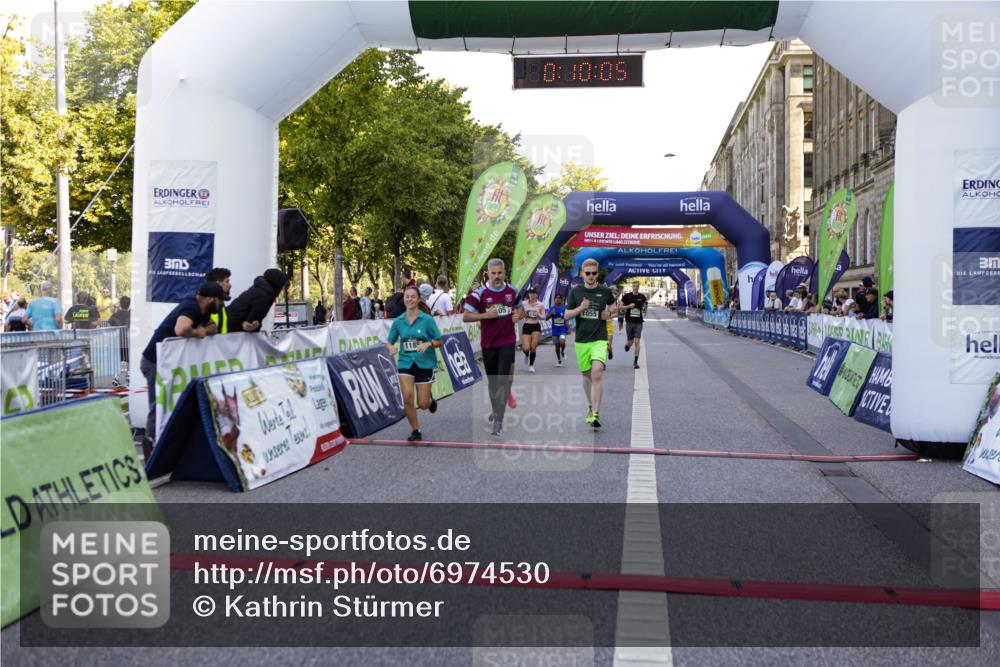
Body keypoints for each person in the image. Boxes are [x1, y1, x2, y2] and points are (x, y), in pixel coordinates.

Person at [140, 282, 225, 451]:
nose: (222, 304)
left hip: (167, 363)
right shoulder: (191, 307)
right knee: (159, 404)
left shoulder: (203, 311)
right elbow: (181, 329)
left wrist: (207, 330)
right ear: (210, 299)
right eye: (220, 300)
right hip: (155, 362)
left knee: (171, 402)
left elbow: (212, 327)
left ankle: (167, 443)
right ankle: (151, 445)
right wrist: (198, 332)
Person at [462, 258, 524, 437]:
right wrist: (486, 315)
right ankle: (496, 410)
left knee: (502, 379)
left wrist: (518, 315)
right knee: (493, 383)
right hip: (488, 343)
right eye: (493, 273)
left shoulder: (512, 291)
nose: (497, 276)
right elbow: (466, 316)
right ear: (488, 274)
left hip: (507, 341)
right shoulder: (479, 293)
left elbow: (521, 309)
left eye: (500, 273)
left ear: (505, 273)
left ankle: (498, 421)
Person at [386, 285, 443, 442]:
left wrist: (428, 344)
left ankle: (429, 400)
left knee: (423, 404)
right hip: (405, 362)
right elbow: (389, 342)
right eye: (407, 296)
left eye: (413, 296)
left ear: (418, 299)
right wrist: (391, 348)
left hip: (424, 363)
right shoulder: (398, 321)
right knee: (407, 398)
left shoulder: (427, 320)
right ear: (404, 299)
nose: (409, 299)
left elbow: (439, 340)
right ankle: (416, 430)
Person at [565, 258, 617, 428]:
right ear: (583, 273)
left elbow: (613, 308)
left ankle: (595, 413)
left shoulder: (604, 291)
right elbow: (566, 315)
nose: (591, 276)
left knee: (596, 373)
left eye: (594, 273)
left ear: (597, 273)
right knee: (586, 375)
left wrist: (609, 314)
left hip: (599, 339)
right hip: (581, 340)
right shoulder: (576, 292)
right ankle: (590, 405)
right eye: (588, 273)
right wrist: (581, 308)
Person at [227, 268, 287, 332]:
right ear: (277, 284)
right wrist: (255, 326)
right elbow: (250, 323)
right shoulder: (264, 296)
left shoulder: (259, 289)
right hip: (231, 330)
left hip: (228, 323)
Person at [621, 280, 647, 370]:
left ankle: (635, 362)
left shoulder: (642, 297)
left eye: (637, 286)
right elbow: (620, 307)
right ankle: (628, 345)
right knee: (630, 342)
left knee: (637, 341)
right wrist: (628, 306)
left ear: (639, 287)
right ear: (632, 286)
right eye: (634, 286)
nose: (635, 287)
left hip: (639, 322)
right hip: (629, 322)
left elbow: (644, 306)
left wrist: (644, 308)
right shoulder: (627, 296)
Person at [520, 287, 543, 373]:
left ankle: (531, 365)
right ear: (528, 294)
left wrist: (538, 315)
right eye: (530, 293)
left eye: (534, 293)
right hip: (527, 326)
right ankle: (526, 355)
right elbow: (520, 316)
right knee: (526, 348)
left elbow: (544, 317)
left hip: (536, 326)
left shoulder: (540, 304)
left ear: (536, 294)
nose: (532, 295)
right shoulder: (523, 303)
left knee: (533, 347)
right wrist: (524, 314)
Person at [205, 267, 233, 333]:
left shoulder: (222, 305)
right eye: (227, 281)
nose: (230, 285)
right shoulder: (204, 306)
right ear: (218, 284)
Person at [546, 292, 568, 367]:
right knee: (557, 345)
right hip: (555, 330)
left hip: (562, 329)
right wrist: (551, 314)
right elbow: (546, 318)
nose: (557, 299)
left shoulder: (564, 308)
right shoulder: (552, 308)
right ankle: (559, 360)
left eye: (559, 298)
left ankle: (563, 351)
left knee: (562, 341)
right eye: (556, 298)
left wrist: (567, 322)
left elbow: (567, 316)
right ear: (554, 299)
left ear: (561, 300)